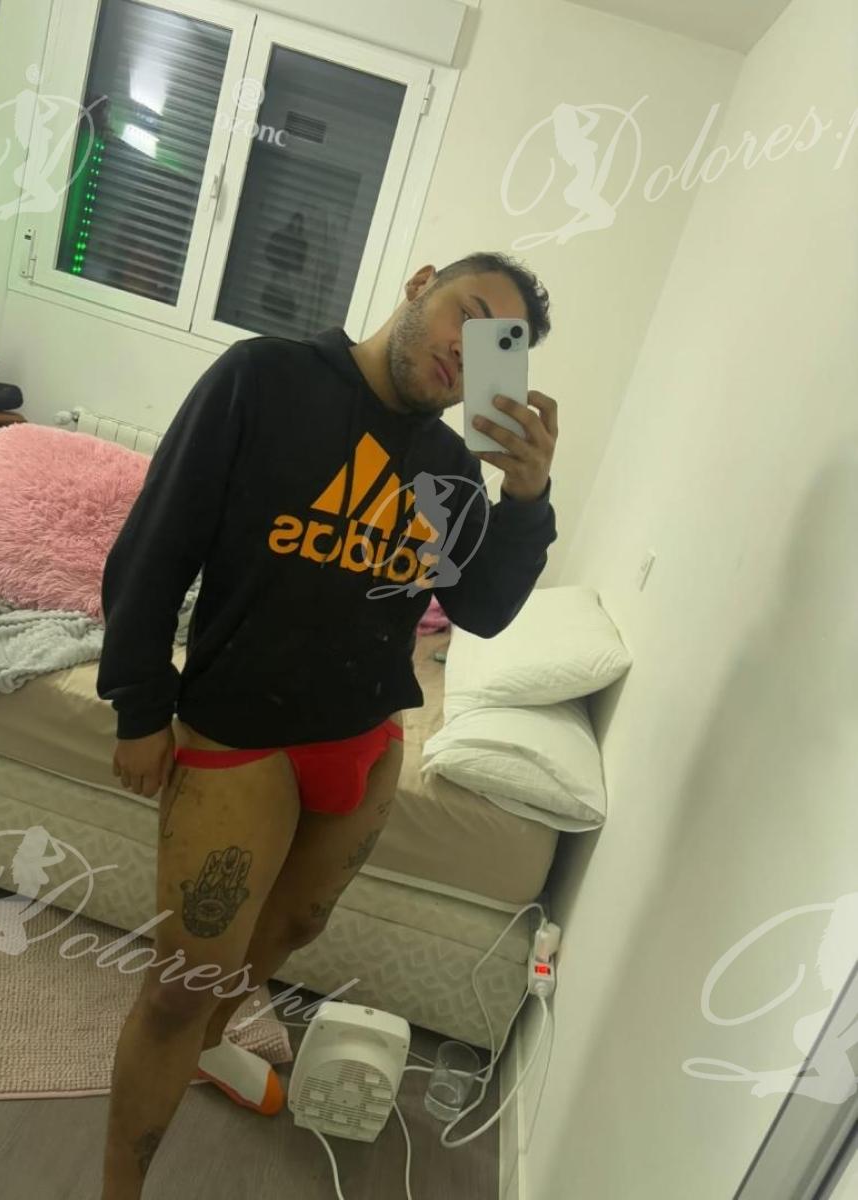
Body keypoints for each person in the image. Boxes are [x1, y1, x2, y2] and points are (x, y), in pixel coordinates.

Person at [95, 250, 559, 1197]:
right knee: (179, 987)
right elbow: (156, 542)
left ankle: (212, 1045)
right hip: (237, 735)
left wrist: (527, 498)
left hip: (364, 736)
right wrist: (140, 703)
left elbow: (480, 611)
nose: (465, 353)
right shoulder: (264, 377)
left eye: (496, 346)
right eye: (465, 314)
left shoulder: (448, 466)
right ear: (419, 283)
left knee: (299, 923)